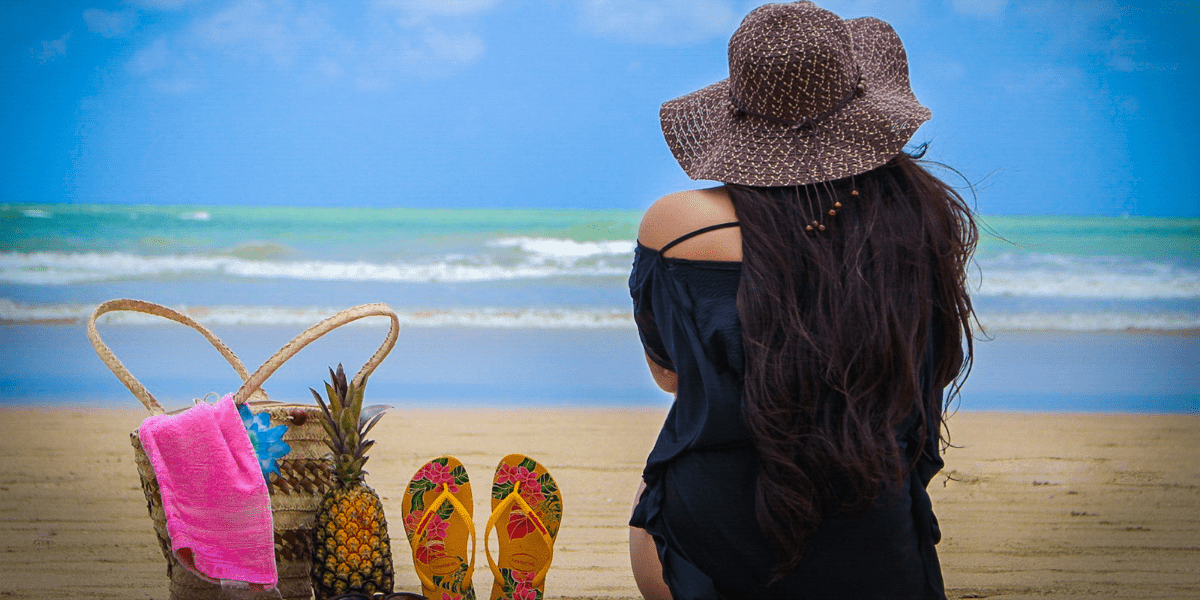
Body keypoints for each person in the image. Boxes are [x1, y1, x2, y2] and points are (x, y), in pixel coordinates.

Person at [626, 3, 977, 599]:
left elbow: (671, 378)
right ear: (863, 103)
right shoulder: (920, 218)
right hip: (876, 531)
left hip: (715, 537)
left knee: (656, 493)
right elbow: (928, 379)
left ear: (738, 118)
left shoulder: (678, 227)